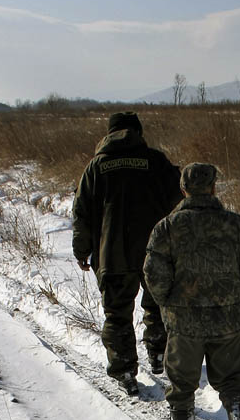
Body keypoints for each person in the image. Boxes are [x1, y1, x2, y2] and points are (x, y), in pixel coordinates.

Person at [143, 162, 240, 420]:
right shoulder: (239, 225)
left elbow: (153, 273)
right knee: (231, 382)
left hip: (184, 323)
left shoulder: (167, 227)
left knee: (182, 383)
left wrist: (168, 305)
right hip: (228, 320)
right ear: (214, 187)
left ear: (184, 189)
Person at [72, 112, 182, 396]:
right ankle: (159, 354)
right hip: (155, 250)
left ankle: (124, 372)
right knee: (158, 303)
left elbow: (82, 211)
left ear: (108, 134)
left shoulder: (96, 167)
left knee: (117, 313)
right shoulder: (156, 161)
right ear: (138, 132)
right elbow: (179, 196)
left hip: (113, 253)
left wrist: (82, 249)